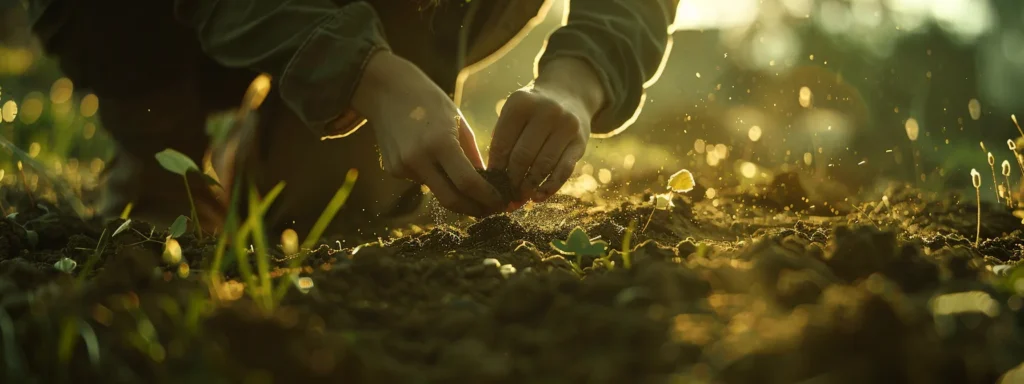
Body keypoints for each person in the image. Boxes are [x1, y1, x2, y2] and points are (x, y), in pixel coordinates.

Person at [12, 0, 677, 238]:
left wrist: (577, 80)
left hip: (388, 13)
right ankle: (158, 142)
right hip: (147, 21)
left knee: (325, 209)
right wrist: (372, 80)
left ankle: (267, 139)